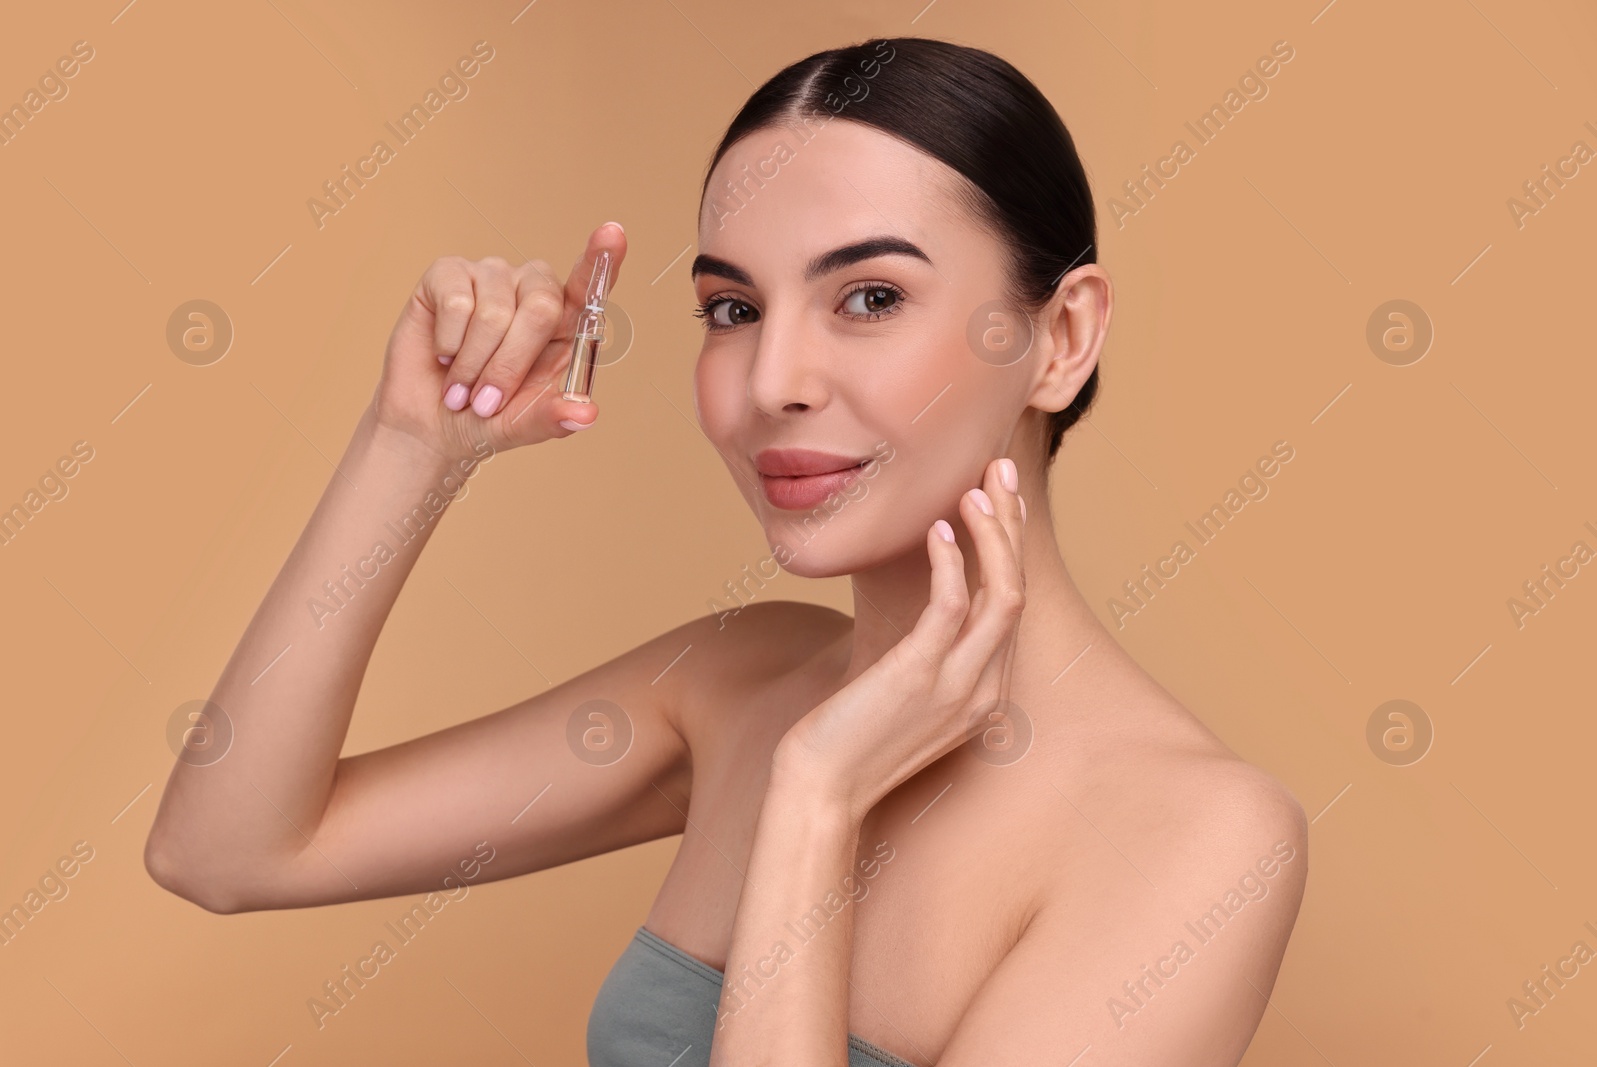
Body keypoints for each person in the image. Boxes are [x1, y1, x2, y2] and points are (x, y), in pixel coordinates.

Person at [145, 35, 1307, 1066]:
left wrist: (813, 802)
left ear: (1058, 335)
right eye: (733, 308)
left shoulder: (1197, 838)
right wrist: (412, 445)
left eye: (868, 297)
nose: (771, 384)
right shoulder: (733, 683)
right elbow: (227, 850)